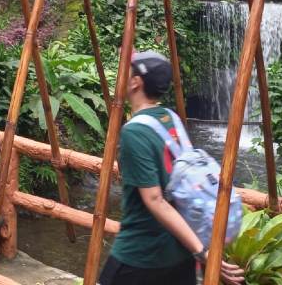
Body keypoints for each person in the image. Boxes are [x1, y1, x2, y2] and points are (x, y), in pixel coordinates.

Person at [99, 50, 245, 285]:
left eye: (126, 72)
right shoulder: (170, 117)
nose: (119, 76)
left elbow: (155, 200)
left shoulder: (134, 132)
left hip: (143, 251)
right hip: (180, 251)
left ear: (136, 82)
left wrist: (203, 253)